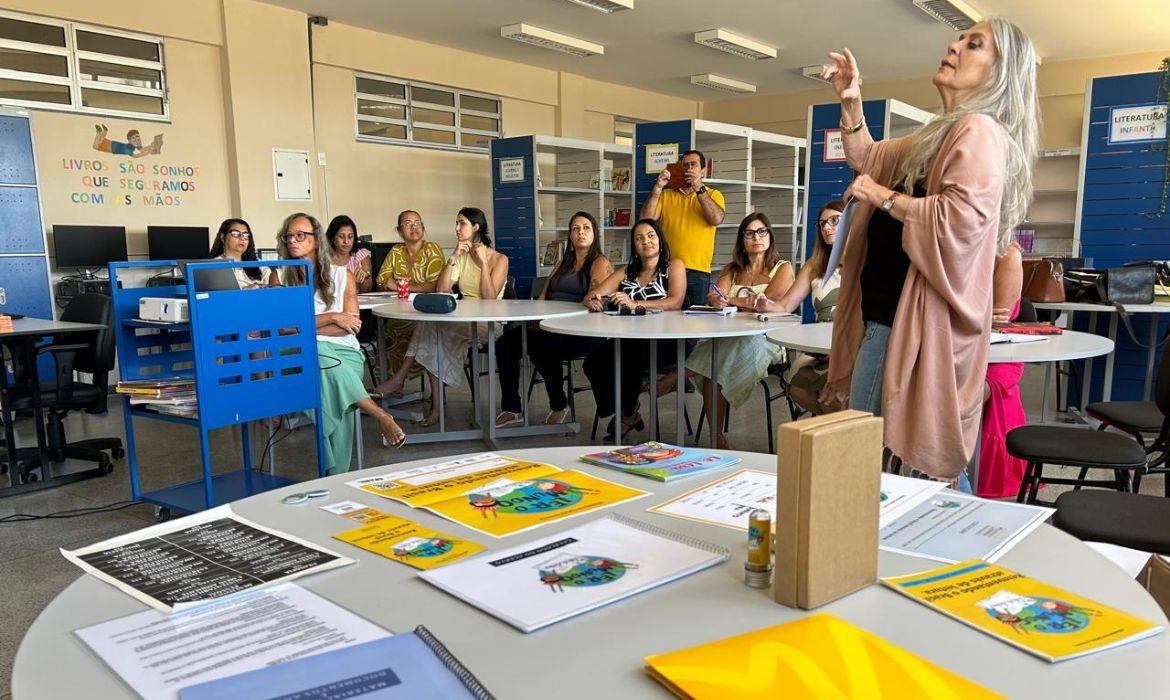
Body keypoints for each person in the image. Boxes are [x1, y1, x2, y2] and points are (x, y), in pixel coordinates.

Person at [821, 18, 1039, 490]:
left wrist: (880, 196)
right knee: (902, 464)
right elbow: (868, 156)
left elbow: (957, 219)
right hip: (890, 323)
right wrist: (851, 100)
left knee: (888, 467)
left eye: (973, 44)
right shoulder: (940, 133)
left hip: (906, 329)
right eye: (959, 37)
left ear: (1001, 73)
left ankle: (941, 551)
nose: (954, 45)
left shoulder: (978, 131)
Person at [276, 212, 406, 473]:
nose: (293, 240)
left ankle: (332, 474)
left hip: (343, 353)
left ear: (317, 240)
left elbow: (352, 326)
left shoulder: (342, 276)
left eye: (300, 235)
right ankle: (378, 414)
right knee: (322, 361)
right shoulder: (279, 278)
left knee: (328, 375)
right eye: (288, 236)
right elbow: (282, 329)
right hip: (297, 355)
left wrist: (305, 326)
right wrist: (332, 316)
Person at [378, 207, 508, 427]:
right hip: (462, 319)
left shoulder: (499, 259)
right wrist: (455, 257)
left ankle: (404, 383)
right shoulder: (461, 256)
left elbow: (489, 299)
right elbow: (443, 289)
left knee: (430, 330)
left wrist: (484, 262)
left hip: (488, 322)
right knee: (430, 331)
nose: (457, 228)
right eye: (456, 223)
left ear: (476, 227)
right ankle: (432, 404)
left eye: (462, 223)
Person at [685, 213, 794, 448]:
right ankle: (716, 438)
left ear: (770, 236)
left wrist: (732, 300)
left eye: (762, 231)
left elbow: (769, 299)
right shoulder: (732, 270)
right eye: (749, 233)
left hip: (768, 340)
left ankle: (680, 375)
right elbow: (716, 295)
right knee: (719, 360)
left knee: (718, 361)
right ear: (742, 240)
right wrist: (716, 300)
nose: (756, 237)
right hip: (730, 337)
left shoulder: (783, 268)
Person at [494, 211, 613, 427]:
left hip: (582, 331)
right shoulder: (563, 262)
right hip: (549, 325)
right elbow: (543, 296)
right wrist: (535, 320)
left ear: (595, 233)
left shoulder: (599, 262)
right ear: (570, 234)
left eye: (586, 228)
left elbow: (596, 294)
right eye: (575, 229)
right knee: (504, 344)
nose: (581, 233)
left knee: (541, 347)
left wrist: (589, 298)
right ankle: (511, 407)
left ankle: (559, 404)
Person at [582, 219, 687, 440]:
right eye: (639, 238)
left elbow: (675, 302)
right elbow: (594, 294)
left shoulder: (673, 266)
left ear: (660, 240)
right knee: (593, 361)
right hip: (629, 337)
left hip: (665, 341)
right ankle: (626, 410)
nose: (645, 241)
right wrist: (593, 300)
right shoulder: (626, 272)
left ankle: (627, 413)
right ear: (634, 245)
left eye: (650, 236)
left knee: (626, 358)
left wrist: (636, 303)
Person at [755, 200, 846, 415]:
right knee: (797, 389)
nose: (826, 227)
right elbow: (786, 305)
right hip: (820, 350)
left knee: (832, 398)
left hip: (850, 348)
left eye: (835, 220)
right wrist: (766, 305)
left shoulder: (864, 263)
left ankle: (833, 438)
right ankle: (831, 432)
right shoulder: (814, 266)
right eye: (822, 223)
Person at [638, 149, 726, 309]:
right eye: (685, 165)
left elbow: (716, 219)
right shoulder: (666, 195)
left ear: (704, 171)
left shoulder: (714, 194)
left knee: (694, 325)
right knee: (663, 321)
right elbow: (645, 221)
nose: (689, 169)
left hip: (698, 272)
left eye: (694, 165)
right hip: (665, 269)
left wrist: (698, 187)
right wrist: (658, 188)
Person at [978, 242, 1027, 498]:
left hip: (996, 357)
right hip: (960, 347)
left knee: (966, 393)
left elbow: (998, 321)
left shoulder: (1007, 254)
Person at [373, 210, 445, 382]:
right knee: (387, 329)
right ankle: (393, 384)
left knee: (407, 329)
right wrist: (390, 284)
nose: (413, 227)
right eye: (407, 223)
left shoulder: (431, 249)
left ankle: (396, 382)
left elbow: (435, 286)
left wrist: (400, 285)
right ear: (399, 230)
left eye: (417, 223)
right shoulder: (396, 251)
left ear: (423, 228)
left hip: (427, 312)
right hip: (401, 311)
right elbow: (381, 281)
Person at [209, 217, 270, 289]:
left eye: (245, 235)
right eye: (236, 234)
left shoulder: (261, 267)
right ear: (223, 237)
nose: (242, 238)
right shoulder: (212, 266)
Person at [326, 215, 373, 293]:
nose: (346, 241)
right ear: (332, 239)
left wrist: (365, 277)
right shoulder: (324, 258)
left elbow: (367, 290)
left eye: (350, 237)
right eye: (341, 236)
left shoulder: (360, 255)